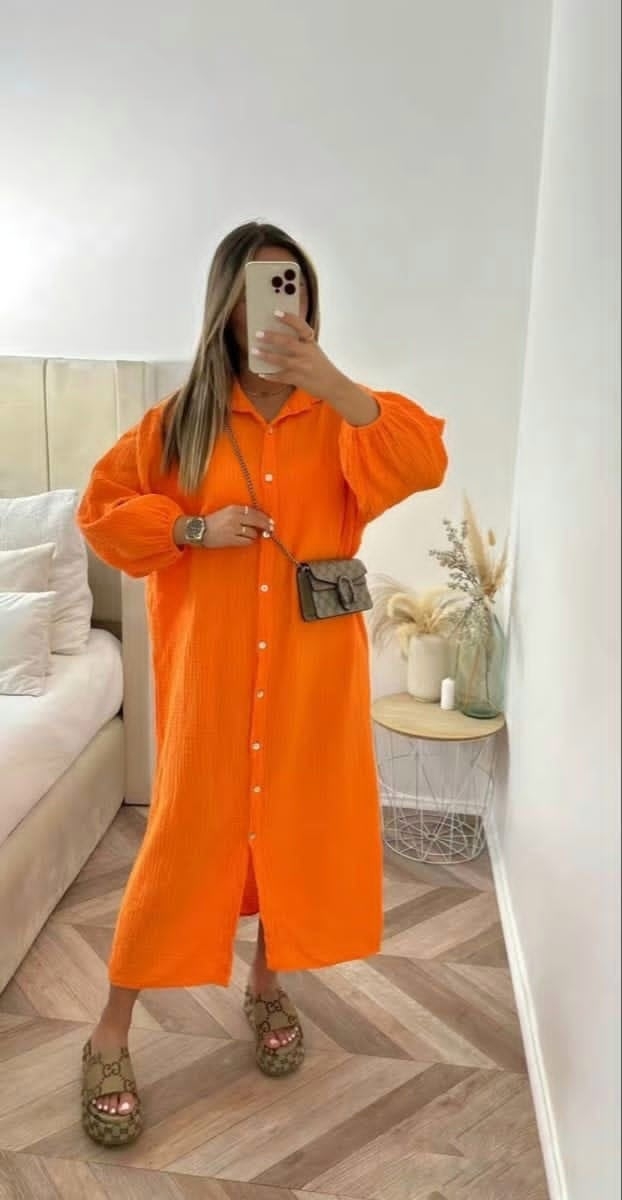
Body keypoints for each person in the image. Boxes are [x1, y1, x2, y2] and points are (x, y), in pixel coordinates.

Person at [76, 220, 448, 1145]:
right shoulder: (178, 424)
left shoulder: (347, 418)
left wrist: (335, 384)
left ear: (309, 303)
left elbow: (423, 461)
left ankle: (269, 985)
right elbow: (102, 513)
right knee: (181, 844)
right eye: (259, 289)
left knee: (295, 828)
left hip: (312, 677)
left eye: (294, 286)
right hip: (209, 682)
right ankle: (109, 1030)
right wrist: (192, 530)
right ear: (229, 308)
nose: (280, 305)